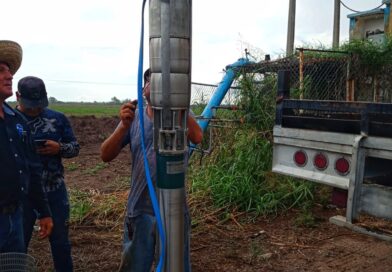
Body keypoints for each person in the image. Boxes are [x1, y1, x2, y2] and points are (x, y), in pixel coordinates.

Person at [100, 68, 203, 272]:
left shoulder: (181, 113)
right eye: (150, 81)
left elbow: (198, 137)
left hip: (174, 208)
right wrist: (123, 125)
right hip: (140, 208)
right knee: (135, 266)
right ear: (143, 89)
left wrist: (179, 105)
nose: (156, 87)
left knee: (176, 266)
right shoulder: (134, 118)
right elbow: (105, 154)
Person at [16, 76, 80, 272]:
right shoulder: (10, 120)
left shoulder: (58, 119)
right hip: (21, 194)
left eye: (39, 105)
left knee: (60, 242)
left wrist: (59, 148)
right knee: (18, 244)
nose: (35, 109)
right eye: (30, 105)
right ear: (18, 97)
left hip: (54, 190)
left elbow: (75, 148)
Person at [0, 40, 53, 253]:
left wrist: (44, 211)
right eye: (0, 70)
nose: (9, 75)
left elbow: (31, 168)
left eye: (9, 70)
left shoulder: (17, 121)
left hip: (15, 218)